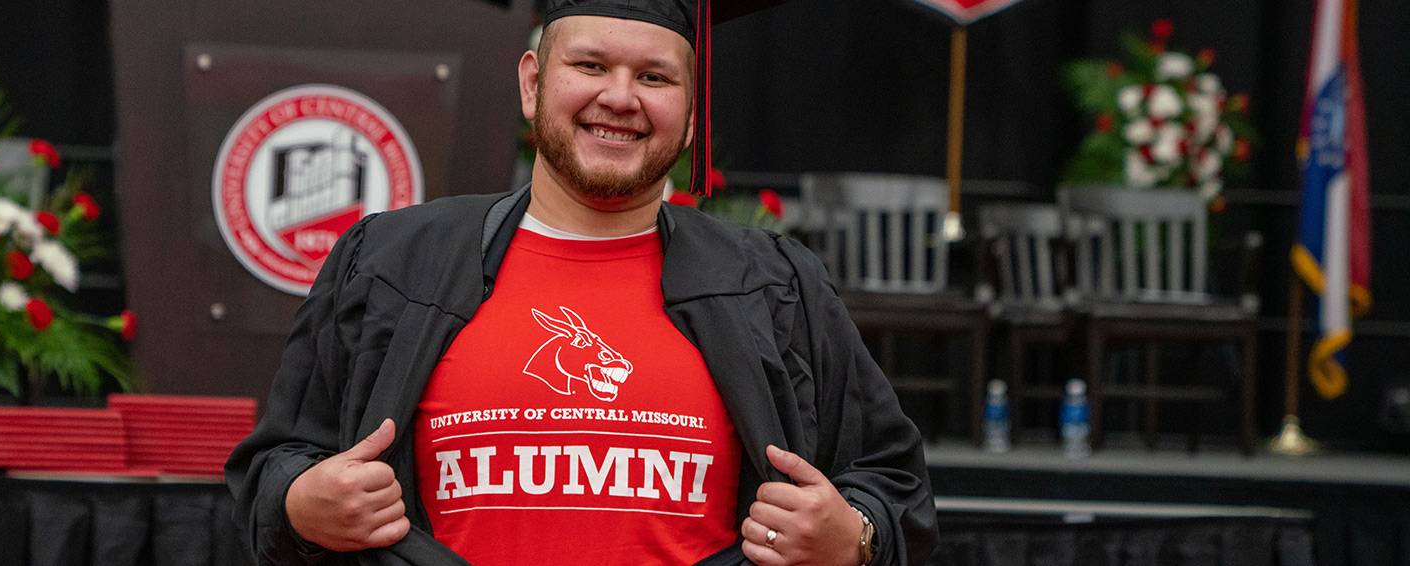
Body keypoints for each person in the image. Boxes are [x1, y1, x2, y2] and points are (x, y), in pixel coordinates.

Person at [226, 0, 936, 564]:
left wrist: (857, 538)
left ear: (692, 112)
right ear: (533, 83)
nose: (620, 98)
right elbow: (273, 470)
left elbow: (892, 481)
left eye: (655, 77)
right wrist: (301, 502)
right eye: (591, 64)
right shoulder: (392, 263)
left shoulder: (774, 288)